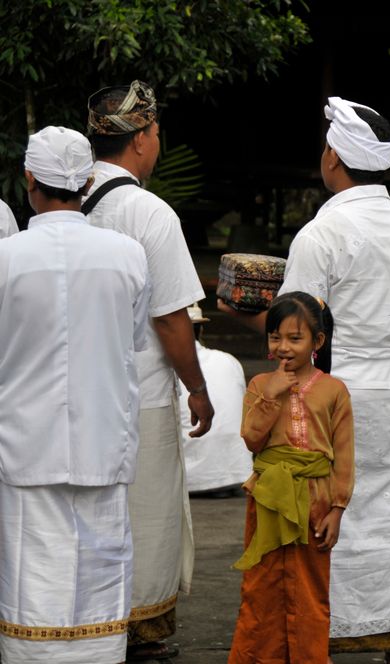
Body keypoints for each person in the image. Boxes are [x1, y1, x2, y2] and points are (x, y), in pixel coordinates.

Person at [220, 97, 390, 664]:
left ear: (333, 157)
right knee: (384, 506)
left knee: (319, 508)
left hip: (333, 386)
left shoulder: (323, 232)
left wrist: (237, 312)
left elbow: (296, 331)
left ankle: (320, 631)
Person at [0, 126, 149, 663]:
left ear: (30, 180)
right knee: (99, 570)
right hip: (102, 439)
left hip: (25, 443)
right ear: (87, 182)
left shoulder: (7, 258)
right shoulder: (127, 255)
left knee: (29, 573)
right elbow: (132, 341)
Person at [84, 79, 215, 661]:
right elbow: (171, 318)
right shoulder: (148, 211)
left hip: (77, 388)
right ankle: (139, 628)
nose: (158, 145)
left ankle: (86, 621)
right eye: (157, 133)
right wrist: (198, 387)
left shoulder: (63, 197)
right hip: (142, 391)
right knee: (148, 508)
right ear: (140, 140)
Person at [228, 292, 354, 663]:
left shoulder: (334, 391)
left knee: (310, 589)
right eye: (275, 337)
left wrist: (338, 508)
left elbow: (343, 455)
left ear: (318, 342)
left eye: (295, 338)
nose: (283, 347)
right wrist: (271, 396)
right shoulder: (259, 385)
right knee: (261, 586)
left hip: (315, 501)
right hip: (268, 500)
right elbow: (252, 439)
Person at [178, 302, 253, 496]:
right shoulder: (229, 360)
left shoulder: (168, 369)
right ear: (200, 329)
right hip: (238, 474)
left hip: (190, 481)